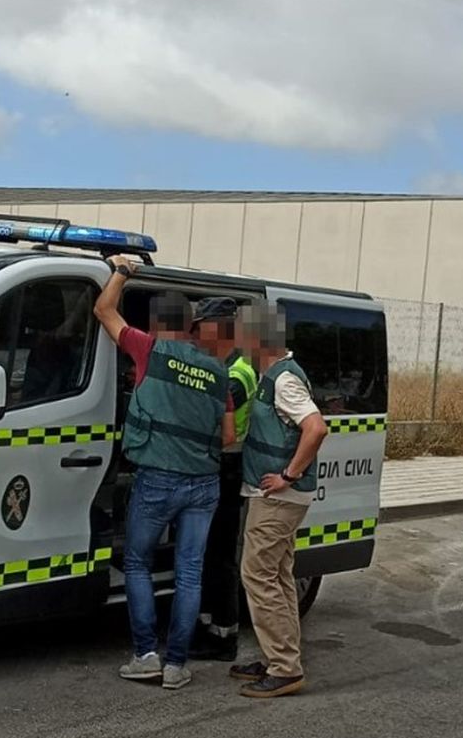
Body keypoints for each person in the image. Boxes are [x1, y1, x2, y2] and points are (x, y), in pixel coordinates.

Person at [93, 255, 236, 690]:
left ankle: (145, 656)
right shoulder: (218, 372)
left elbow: (103, 310)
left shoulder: (149, 349)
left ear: (157, 324)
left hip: (156, 478)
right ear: (191, 326)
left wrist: (121, 271)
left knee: (135, 562)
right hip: (204, 484)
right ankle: (176, 665)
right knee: (189, 570)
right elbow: (228, 436)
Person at [229, 302, 328, 698]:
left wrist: (289, 475)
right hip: (281, 497)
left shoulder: (284, 380)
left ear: (258, 338)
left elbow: (316, 428)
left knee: (257, 575)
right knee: (279, 576)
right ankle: (280, 657)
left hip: (278, 498)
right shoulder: (273, 374)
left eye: (240, 334)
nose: (236, 342)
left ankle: (285, 668)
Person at [190, 307, 258, 662]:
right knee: (206, 553)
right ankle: (205, 626)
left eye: (201, 328)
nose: (197, 335)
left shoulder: (237, 373)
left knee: (220, 556)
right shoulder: (222, 365)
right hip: (216, 466)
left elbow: (209, 414)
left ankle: (224, 637)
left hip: (228, 468)